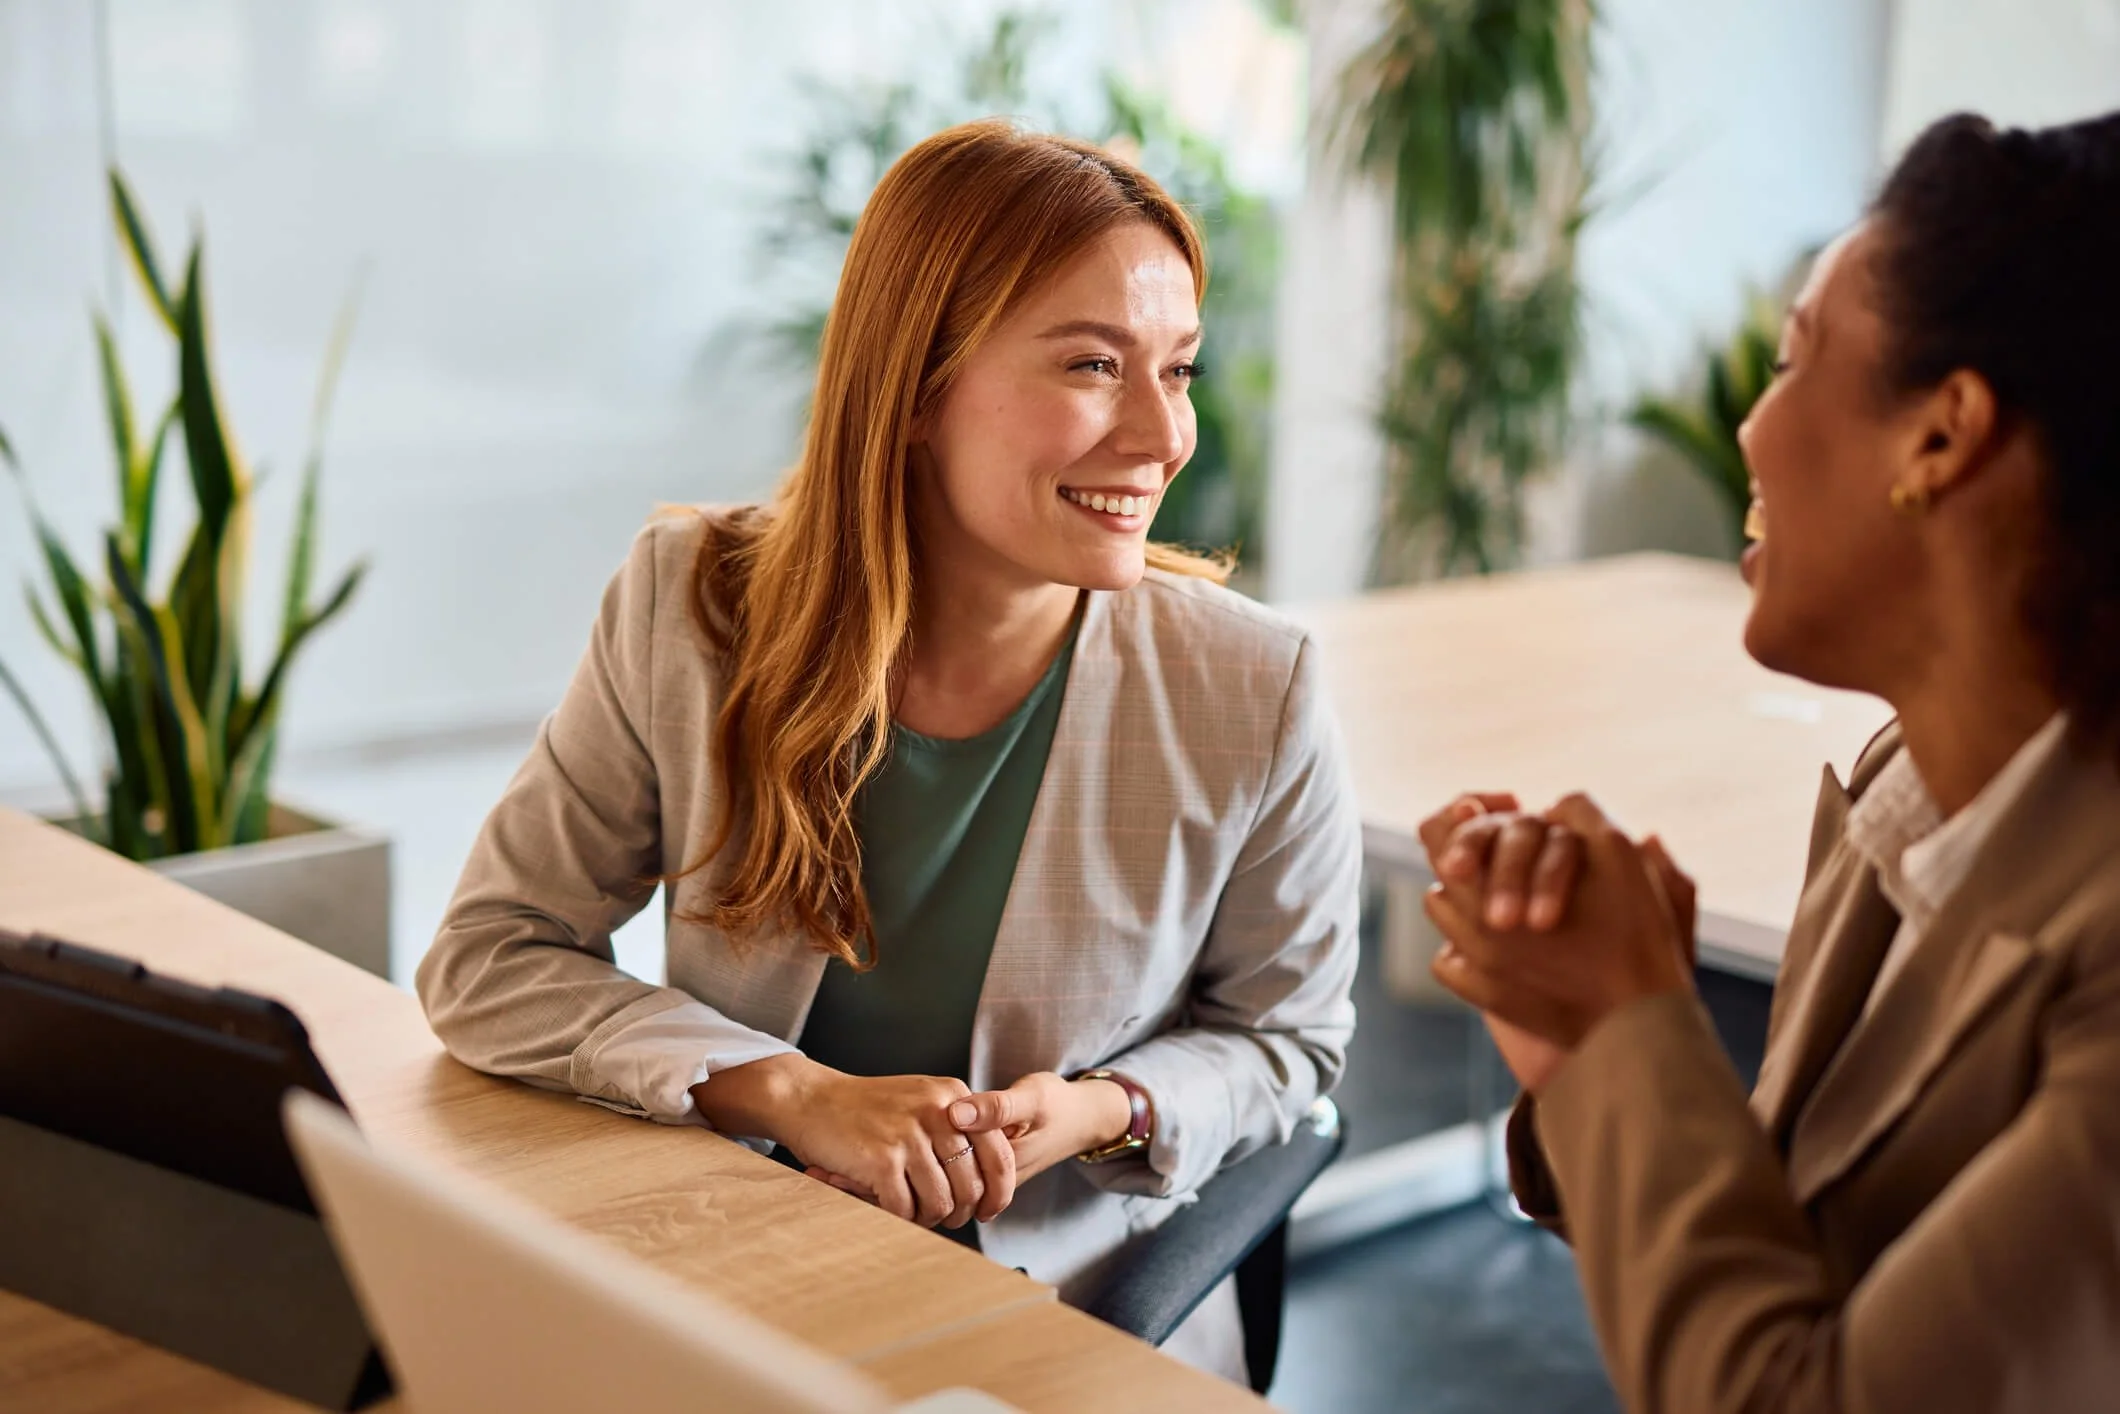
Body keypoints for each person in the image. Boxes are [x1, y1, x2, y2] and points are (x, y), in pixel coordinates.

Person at [414, 119, 1361, 1380]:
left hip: (1072, 1320)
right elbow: (491, 953)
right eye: (1092, 365)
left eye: (1176, 370)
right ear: (918, 387)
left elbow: (1287, 1042)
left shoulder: (1251, 683)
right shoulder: (692, 602)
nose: (1161, 435)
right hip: (742, 1277)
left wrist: (1100, 1110)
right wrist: (786, 1091)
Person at [1419, 109, 2120, 1412]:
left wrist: (1631, 1024)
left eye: (1797, 358)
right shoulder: (1906, 790)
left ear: (1942, 435)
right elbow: (1808, 1246)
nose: (1749, 426)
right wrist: (1589, 1046)